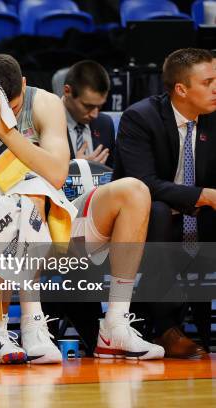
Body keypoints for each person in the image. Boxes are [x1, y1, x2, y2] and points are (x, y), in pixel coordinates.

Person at [0, 54, 163, 363]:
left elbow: (56, 175)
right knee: (24, 200)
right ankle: (29, 323)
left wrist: (2, 129)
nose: (10, 112)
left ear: (24, 86)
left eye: (14, 106)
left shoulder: (44, 102)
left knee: (134, 191)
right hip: (3, 225)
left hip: (61, 217)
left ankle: (115, 325)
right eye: (3, 107)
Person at [114, 48, 216, 359]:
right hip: (145, 219)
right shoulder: (140, 117)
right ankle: (164, 327)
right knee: (157, 212)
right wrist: (202, 196)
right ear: (181, 89)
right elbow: (143, 183)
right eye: (209, 82)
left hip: (199, 217)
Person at [62, 60, 116, 168]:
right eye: (88, 106)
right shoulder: (44, 120)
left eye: (100, 106)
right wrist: (73, 169)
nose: (94, 115)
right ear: (67, 91)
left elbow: (112, 174)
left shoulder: (105, 123)